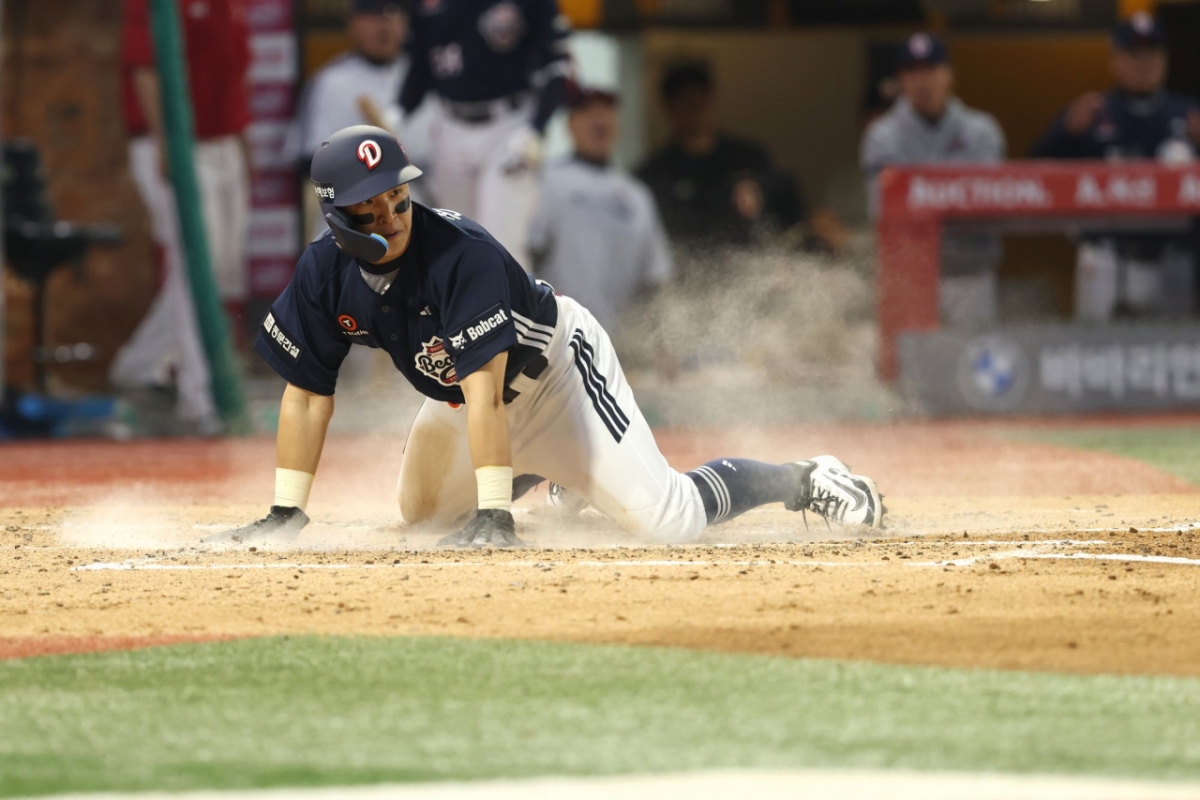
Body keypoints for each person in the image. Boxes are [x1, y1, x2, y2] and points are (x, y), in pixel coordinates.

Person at [206, 126, 884, 547]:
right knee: (422, 519)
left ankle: (804, 478)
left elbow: (486, 394)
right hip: (465, 399)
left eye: (397, 196)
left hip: (554, 378)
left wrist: (496, 517)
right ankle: (553, 472)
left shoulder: (458, 251)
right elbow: (305, 395)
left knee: (668, 520)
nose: (392, 211)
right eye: (371, 204)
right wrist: (284, 511)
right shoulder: (324, 270)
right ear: (335, 216)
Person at [110, 0, 253, 433]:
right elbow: (145, 67)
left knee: (220, 267)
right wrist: (164, 140)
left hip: (223, 141)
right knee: (197, 269)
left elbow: (234, 74)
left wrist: (244, 143)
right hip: (176, 145)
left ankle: (138, 364)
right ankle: (202, 398)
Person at [1031, 13, 1200, 320]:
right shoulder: (1093, 112)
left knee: (1177, 358)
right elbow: (1033, 175)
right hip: (1107, 256)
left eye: (1153, 53)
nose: (1144, 62)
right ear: (1115, 60)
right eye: (1135, 53)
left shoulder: (1189, 114)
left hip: (1174, 257)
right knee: (1097, 357)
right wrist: (1065, 134)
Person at [397, 0, 572, 268]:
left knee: (502, 245)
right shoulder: (428, 8)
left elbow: (557, 68)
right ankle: (469, 310)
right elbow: (421, 67)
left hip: (509, 127)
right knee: (456, 245)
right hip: (450, 126)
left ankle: (515, 310)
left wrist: (537, 128)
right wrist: (397, 110)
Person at [860, 33, 1006, 329]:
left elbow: (993, 206)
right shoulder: (882, 136)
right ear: (901, 79)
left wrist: (926, 196)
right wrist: (952, 195)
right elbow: (882, 210)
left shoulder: (981, 131)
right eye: (912, 72)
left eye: (931, 70)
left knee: (970, 369)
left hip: (971, 273)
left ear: (949, 74)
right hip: (910, 277)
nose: (922, 81)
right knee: (912, 371)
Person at [526, 84, 673, 333]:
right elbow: (525, 258)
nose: (599, 121)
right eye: (589, 113)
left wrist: (662, 345)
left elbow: (655, 280)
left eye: (606, 113)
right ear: (570, 124)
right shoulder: (546, 181)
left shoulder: (637, 195)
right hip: (560, 344)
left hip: (621, 348)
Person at [285, 0, 434, 240]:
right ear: (353, 24)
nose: (384, 26)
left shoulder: (428, 79)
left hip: (424, 201)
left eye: (392, 15)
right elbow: (309, 164)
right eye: (373, 16)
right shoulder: (330, 82)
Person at [636, 62, 805, 260]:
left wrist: (760, 191)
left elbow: (790, 209)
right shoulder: (654, 172)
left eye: (698, 99)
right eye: (684, 100)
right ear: (669, 106)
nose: (693, 108)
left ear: (710, 98)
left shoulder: (749, 156)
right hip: (685, 273)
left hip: (752, 268)